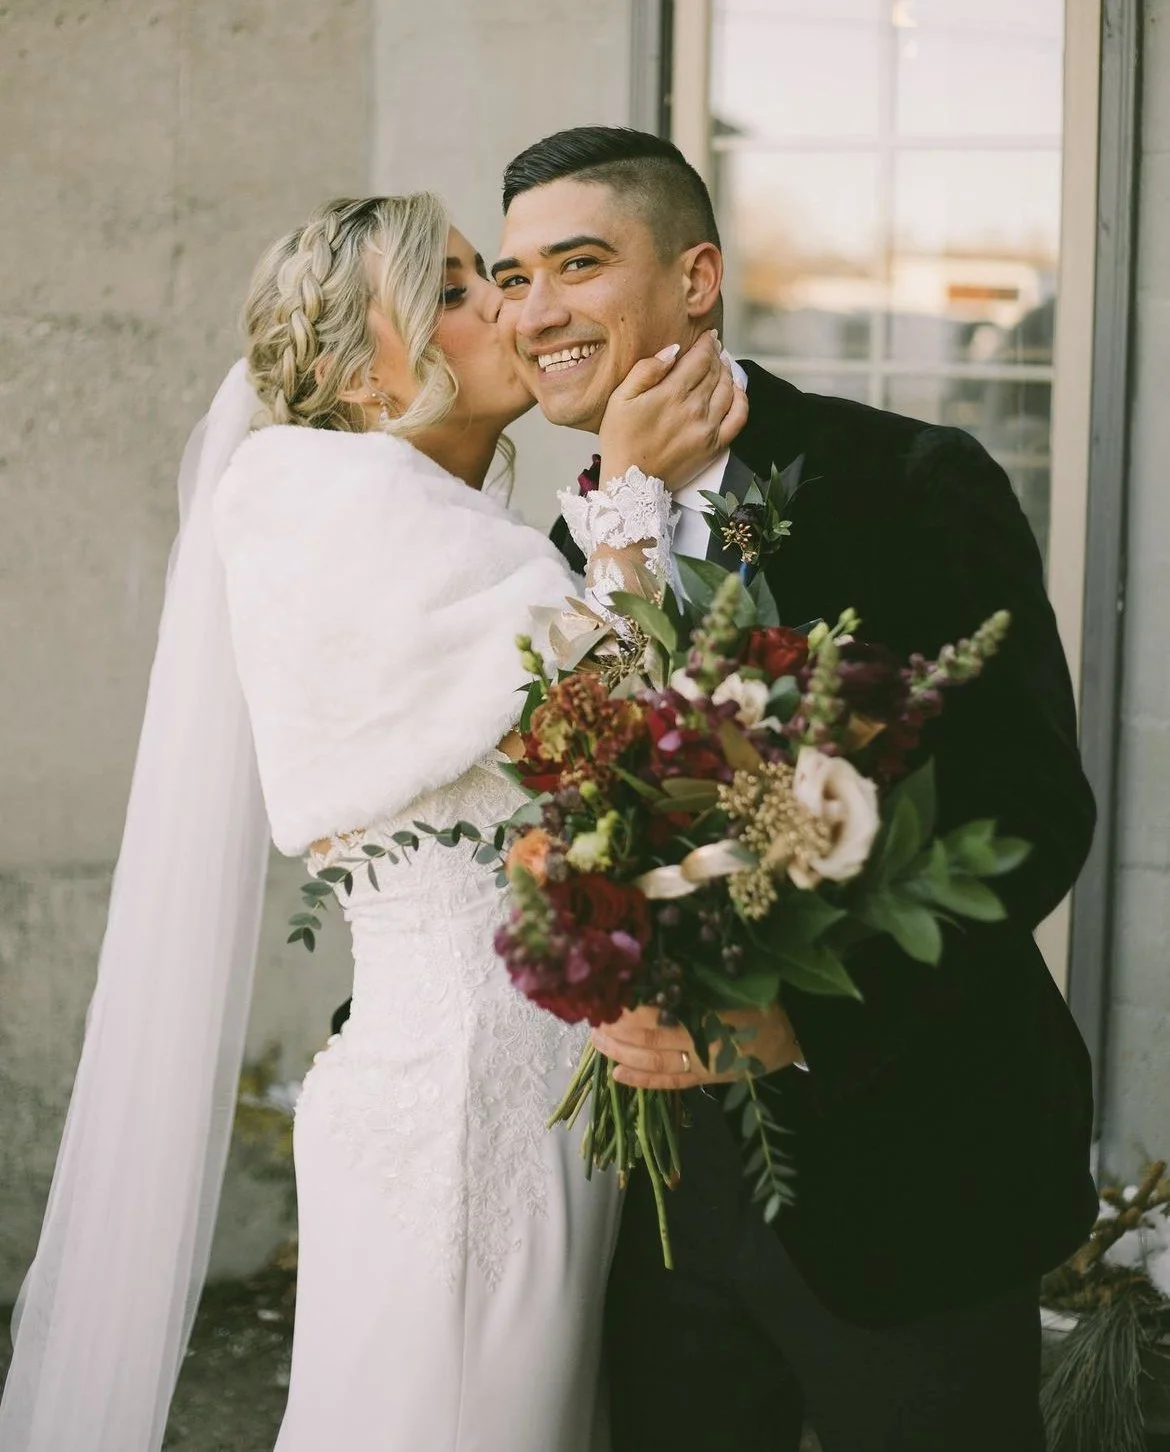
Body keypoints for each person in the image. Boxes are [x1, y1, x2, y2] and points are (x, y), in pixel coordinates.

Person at [0, 192, 744, 1452]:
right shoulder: (347, 511)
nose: (506, 309)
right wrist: (627, 497)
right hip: (466, 1106)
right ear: (358, 376)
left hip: (508, 1083)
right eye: (454, 293)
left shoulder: (421, 522)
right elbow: (615, 746)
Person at [493, 126, 1098, 1452]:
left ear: (695, 277)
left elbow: (1028, 819)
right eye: (512, 274)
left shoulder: (909, 481)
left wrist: (793, 1021)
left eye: (577, 264)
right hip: (657, 1202)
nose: (532, 312)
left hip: (912, 1161)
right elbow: (565, 810)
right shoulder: (577, 538)